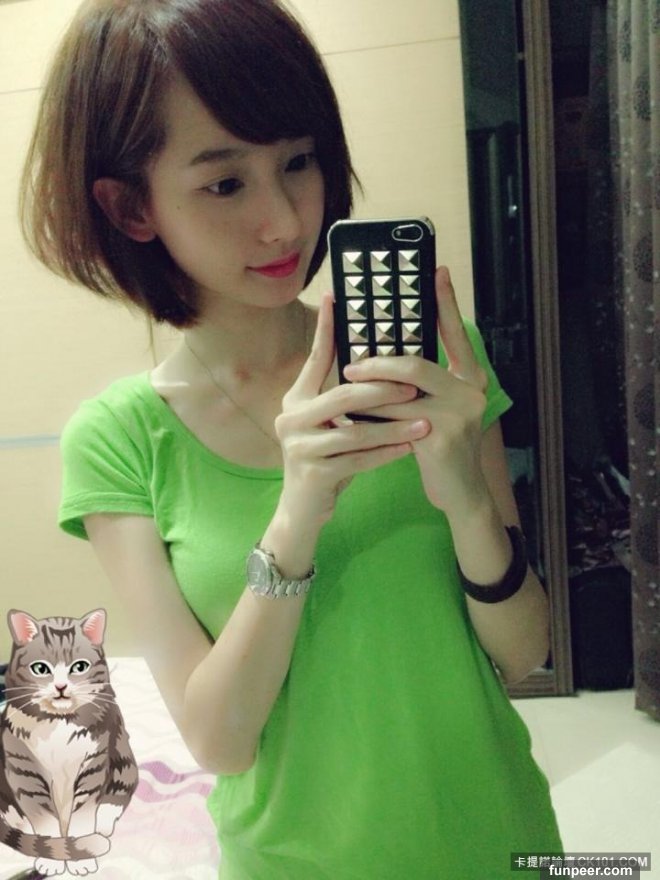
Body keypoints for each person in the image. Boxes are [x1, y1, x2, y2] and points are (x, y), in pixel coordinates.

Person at [20, 1, 563, 877]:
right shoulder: (119, 441)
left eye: (299, 162)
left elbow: (525, 653)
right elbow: (219, 740)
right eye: (225, 184)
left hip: (502, 843)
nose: (283, 222)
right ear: (129, 207)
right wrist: (296, 517)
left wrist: (464, 493)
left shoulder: (438, 370)